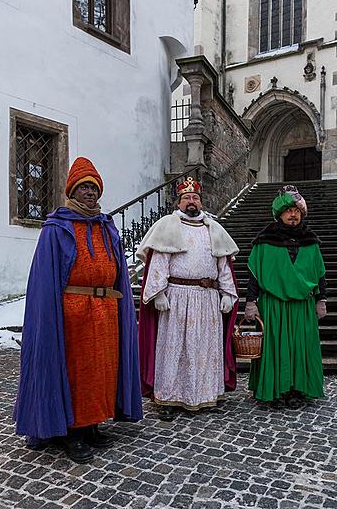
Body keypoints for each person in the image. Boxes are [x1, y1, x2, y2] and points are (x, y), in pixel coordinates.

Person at [14, 157, 143, 462]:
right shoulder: (56, 228)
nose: (90, 192)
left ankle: (93, 426)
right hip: (73, 313)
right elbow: (45, 280)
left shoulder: (105, 226)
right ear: (72, 191)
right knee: (77, 372)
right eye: (84, 187)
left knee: (103, 371)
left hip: (106, 309)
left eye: (94, 187)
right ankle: (71, 432)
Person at [137, 177, 239, 420]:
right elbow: (159, 261)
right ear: (179, 202)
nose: (191, 201)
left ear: (201, 202)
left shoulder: (213, 228)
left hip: (207, 300)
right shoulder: (167, 226)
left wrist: (227, 293)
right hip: (177, 298)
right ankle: (169, 397)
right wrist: (158, 293)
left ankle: (204, 394)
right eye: (186, 198)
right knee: (175, 350)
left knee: (205, 350)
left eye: (195, 197)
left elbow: (223, 263)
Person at [245, 185, 327, 410]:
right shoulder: (264, 241)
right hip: (274, 305)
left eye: (297, 211)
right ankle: (274, 392)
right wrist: (251, 302)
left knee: (300, 349)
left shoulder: (311, 241)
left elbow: (320, 273)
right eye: (289, 210)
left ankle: (296, 390)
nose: (293, 215)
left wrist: (322, 300)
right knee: (275, 348)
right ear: (279, 214)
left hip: (302, 306)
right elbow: (254, 273)